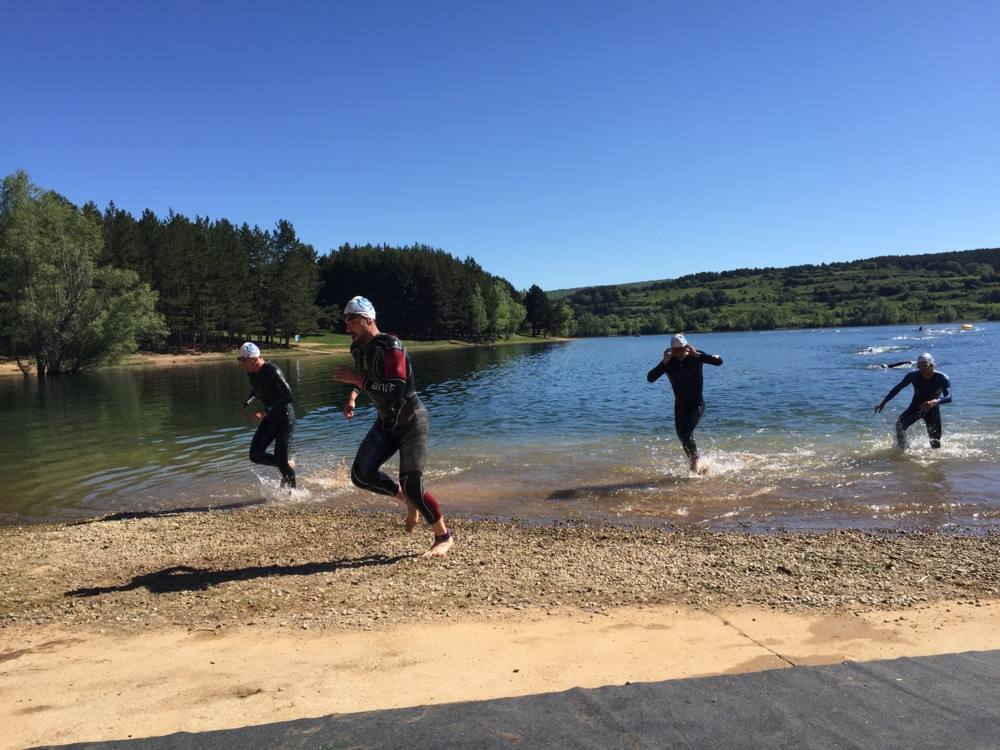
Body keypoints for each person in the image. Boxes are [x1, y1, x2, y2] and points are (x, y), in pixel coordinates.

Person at [333, 296, 454, 556]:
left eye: (351, 321)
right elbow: (364, 377)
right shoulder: (357, 349)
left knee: (412, 482)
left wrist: (358, 381)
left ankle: (443, 536)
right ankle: (407, 500)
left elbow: (396, 387)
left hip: (412, 420)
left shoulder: (391, 345)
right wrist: (352, 396)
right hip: (387, 422)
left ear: (368, 319)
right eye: (345, 321)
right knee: (360, 475)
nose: (347, 328)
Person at [647, 333, 723, 473]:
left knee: (686, 433)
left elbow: (719, 361)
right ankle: (695, 462)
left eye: (682, 349)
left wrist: (698, 355)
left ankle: (695, 462)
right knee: (682, 436)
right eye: (676, 350)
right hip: (680, 406)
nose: (679, 353)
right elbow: (650, 378)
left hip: (696, 404)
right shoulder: (668, 362)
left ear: (686, 347)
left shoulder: (696, 356)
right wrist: (663, 362)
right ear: (671, 350)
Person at [238, 342, 296, 487]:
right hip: (271, 418)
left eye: (242, 360)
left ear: (253, 359)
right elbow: (257, 391)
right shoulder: (252, 372)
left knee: (281, 460)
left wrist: (265, 411)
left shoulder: (272, 371)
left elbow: (288, 396)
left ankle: (294, 496)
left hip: (284, 418)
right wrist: (247, 403)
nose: (241, 364)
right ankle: (286, 464)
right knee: (255, 455)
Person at [874, 352, 951, 449]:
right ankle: (903, 450)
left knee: (935, 443)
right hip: (916, 407)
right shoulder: (913, 375)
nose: (922, 369)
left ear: (932, 365)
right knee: (899, 426)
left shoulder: (942, 378)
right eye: (919, 367)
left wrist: (933, 402)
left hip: (932, 410)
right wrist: (884, 402)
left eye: (925, 366)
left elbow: (948, 397)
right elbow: (898, 387)